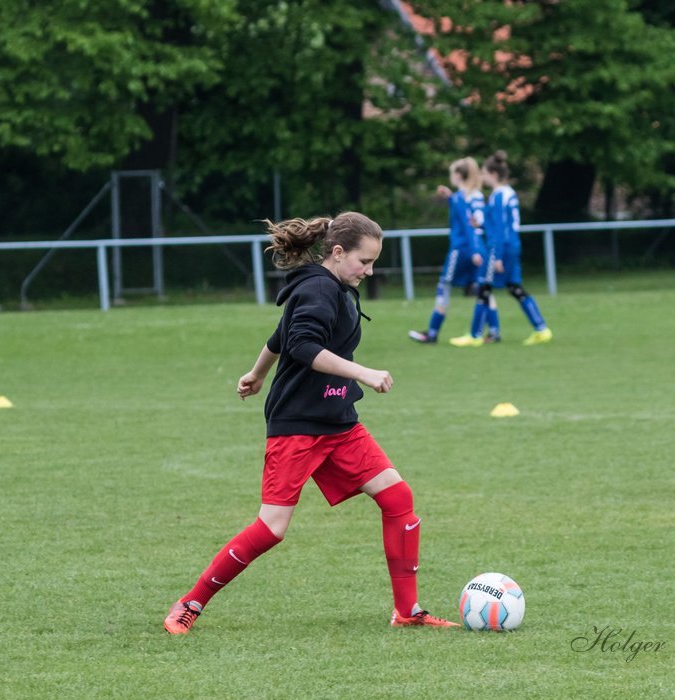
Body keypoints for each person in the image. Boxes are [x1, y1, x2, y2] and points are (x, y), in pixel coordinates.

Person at [164, 211, 459, 633]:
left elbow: (279, 337)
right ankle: (189, 602)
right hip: (298, 424)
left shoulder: (331, 286)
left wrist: (258, 372)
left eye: (374, 262)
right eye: (364, 261)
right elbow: (300, 343)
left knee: (398, 500)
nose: (370, 271)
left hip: (338, 422)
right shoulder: (320, 289)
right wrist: (364, 373)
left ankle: (407, 612)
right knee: (271, 528)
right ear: (337, 253)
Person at [452, 151, 553, 347]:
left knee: (483, 288)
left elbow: (499, 230)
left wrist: (497, 256)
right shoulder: (509, 193)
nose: (482, 177)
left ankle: (474, 335)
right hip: (512, 245)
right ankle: (541, 329)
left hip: (499, 248)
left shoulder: (498, 196)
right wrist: (479, 225)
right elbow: (498, 225)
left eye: (484, 173)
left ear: (494, 174)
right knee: (515, 288)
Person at [408, 158, 485, 344]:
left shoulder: (461, 197)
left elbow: (468, 227)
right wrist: (450, 197)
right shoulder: (467, 195)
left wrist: (474, 251)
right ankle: (490, 332)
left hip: (460, 250)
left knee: (444, 286)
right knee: (484, 290)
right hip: (476, 248)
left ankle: (432, 333)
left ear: (458, 175)